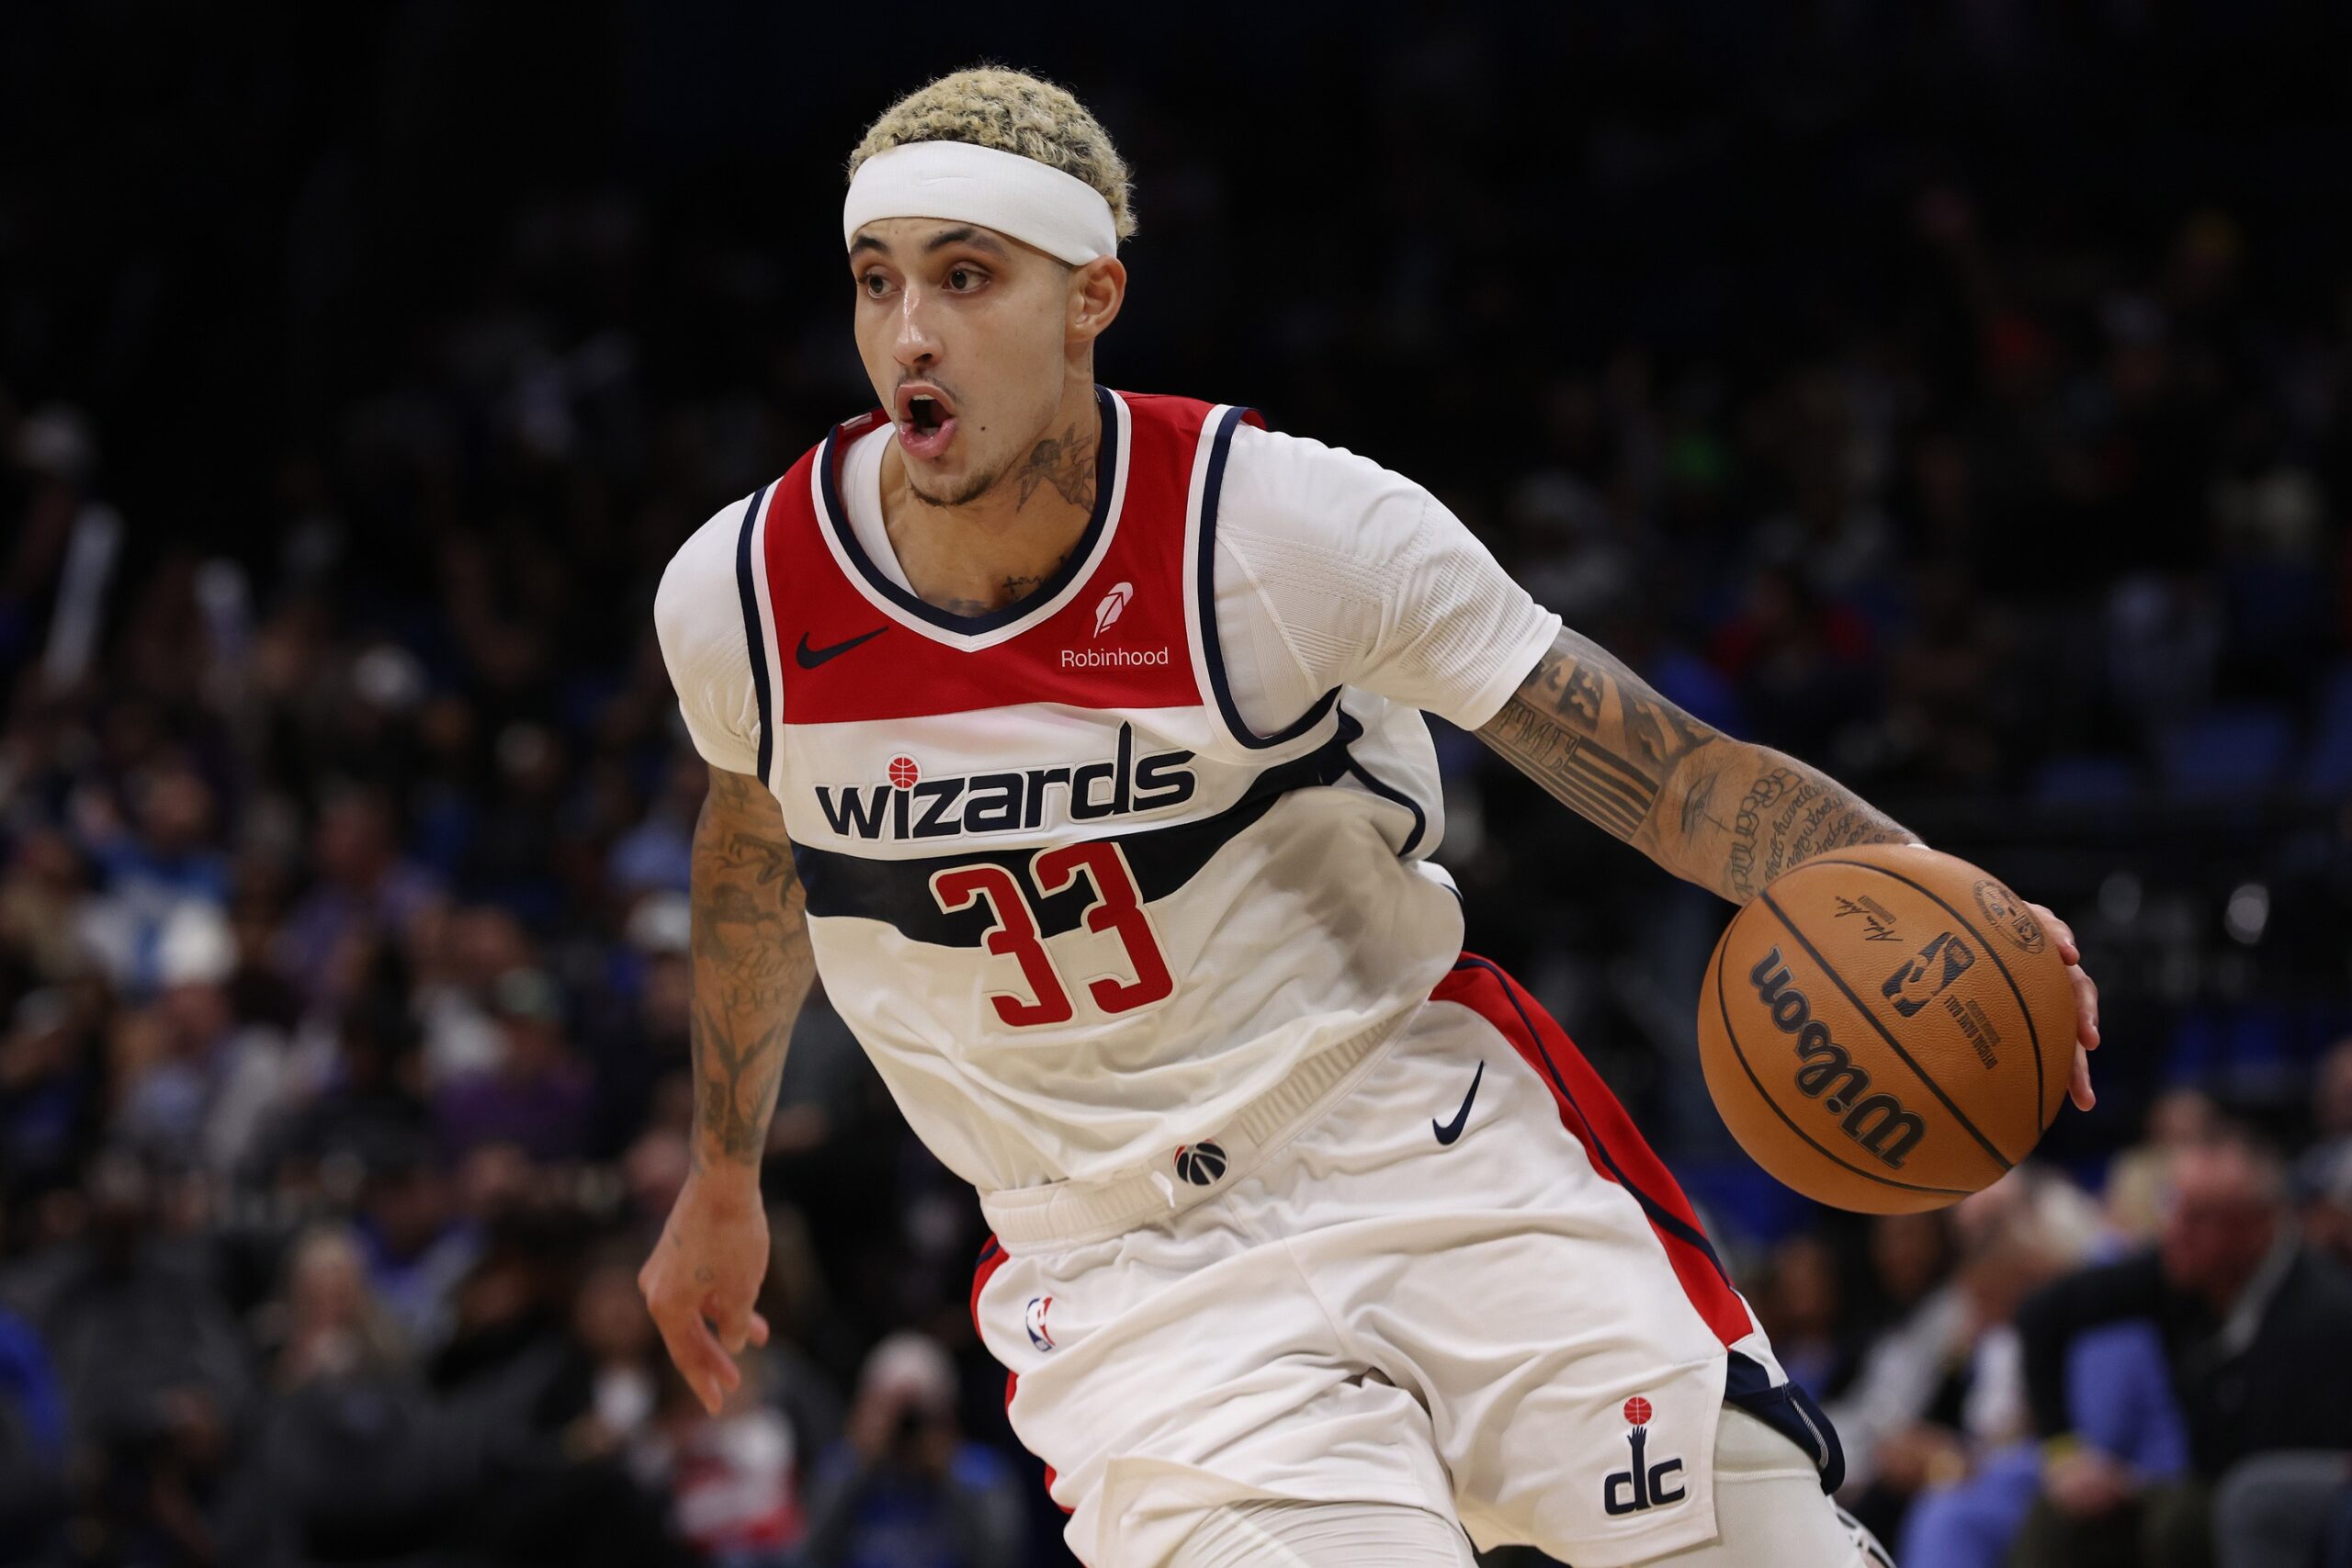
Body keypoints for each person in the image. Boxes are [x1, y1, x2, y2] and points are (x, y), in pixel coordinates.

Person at [639, 66, 2102, 1568]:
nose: (911, 335)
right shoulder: (744, 597)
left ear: (1092, 295)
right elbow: (755, 849)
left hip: (1418, 1139)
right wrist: (724, 1172)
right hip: (1132, 1278)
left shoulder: (1282, 529)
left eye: (967, 277)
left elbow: (1665, 774)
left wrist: (1932, 887)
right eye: (877, 282)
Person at [2012, 1130, 2352, 1568]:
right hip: (2192, 1486)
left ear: (2256, 1226)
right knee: (2060, 1515)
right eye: (2170, 1206)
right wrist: (2064, 1454)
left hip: (2274, 1504)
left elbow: (2306, 1469)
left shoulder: (2326, 1313)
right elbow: (2042, 1313)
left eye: (2198, 1217)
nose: (2175, 1231)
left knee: (2195, 1517)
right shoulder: (2180, 1269)